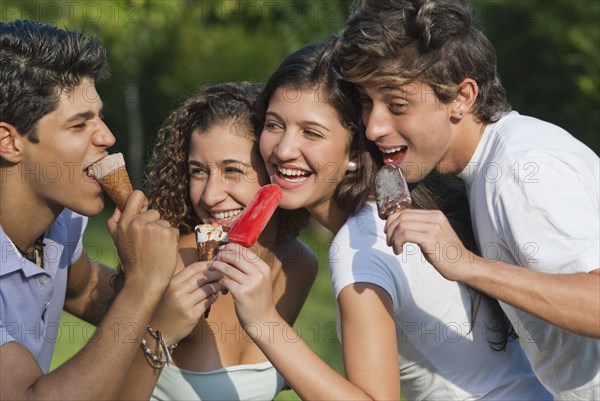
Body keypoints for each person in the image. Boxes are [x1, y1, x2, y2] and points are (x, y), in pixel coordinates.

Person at [210, 39, 551, 400]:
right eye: (274, 124)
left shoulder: (359, 246)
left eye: (311, 132)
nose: (283, 150)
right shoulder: (396, 215)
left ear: (356, 151)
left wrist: (264, 322)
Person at [336, 0, 600, 399]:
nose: (373, 127)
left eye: (397, 105)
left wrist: (468, 266)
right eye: (367, 103)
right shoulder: (493, 165)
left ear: (462, 96)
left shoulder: (518, 170)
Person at [0, 20, 221, 400]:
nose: (106, 136)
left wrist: (175, 289)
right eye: (79, 124)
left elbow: (83, 287)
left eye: (98, 116)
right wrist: (143, 287)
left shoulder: (61, 223)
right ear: (9, 141)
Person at [138, 82, 317, 400]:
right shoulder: (173, 265)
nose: (209, 195)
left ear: (276, 171)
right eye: (197, 172)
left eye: (232, 170)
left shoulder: (298, 266)